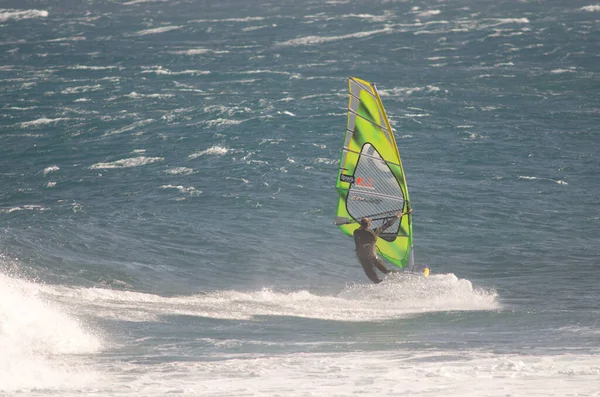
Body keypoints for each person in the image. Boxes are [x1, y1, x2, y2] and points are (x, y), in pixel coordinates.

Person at [353, 210, 410, 283]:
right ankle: (402, 277)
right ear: (369, 225)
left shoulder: (356, 232)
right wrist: (397, 216)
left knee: (374, 279)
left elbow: (361, 228)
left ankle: (383, 287)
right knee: (387, 271)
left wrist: (366, 221)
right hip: (373, 258)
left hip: (363, 259)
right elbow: (387, 224)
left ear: (361, 224)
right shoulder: (373, 234)